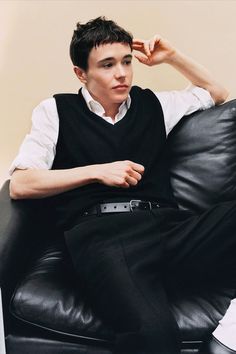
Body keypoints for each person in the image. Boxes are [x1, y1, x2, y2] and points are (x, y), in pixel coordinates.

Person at [9, 16, 236, 354]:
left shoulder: (154, 104)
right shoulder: (55, 111)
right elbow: (21, 184)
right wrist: (97, 171)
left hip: (169, 229)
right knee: (154, 336)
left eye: (127, 61)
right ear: (81, 73)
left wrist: (173, 57)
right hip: (104, 238)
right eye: (108, 65)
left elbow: (217, 93)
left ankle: (226, 340)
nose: (122, 73)